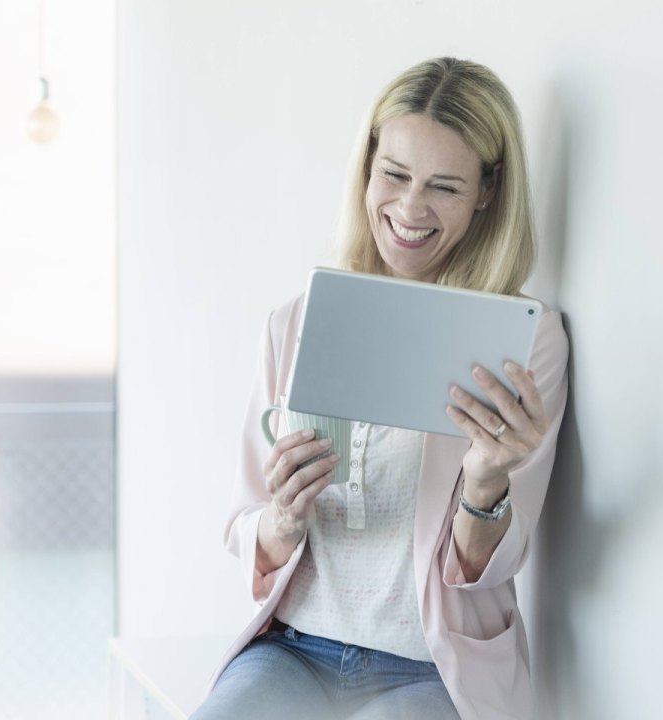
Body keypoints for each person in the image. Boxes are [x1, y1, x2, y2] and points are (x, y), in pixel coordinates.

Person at [191, 57, 570, 720]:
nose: (410, 208)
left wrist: (485, 483)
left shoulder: (524, 339)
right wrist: (282, 516)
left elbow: (493, 566)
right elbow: (243, 525)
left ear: (486, 192)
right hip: (293, 652)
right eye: (394, 174)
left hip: (428, 669)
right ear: (367, 167)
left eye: (445, 187)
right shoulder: (298, 322)